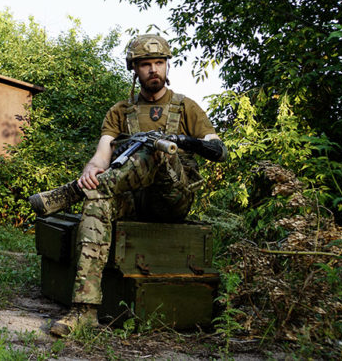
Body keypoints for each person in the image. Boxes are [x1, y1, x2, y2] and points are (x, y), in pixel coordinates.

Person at [27, 34, 227, 337]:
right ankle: (84, 311)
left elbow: (219, 151)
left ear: (167, 65)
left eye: (159, 62)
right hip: (131, 196)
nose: (153, 70)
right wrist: (89, 175)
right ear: (135, 69)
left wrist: (182, 141)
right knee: (96, 199)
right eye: (145, 64)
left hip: (172, 198)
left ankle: (70, 193)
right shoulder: (120, 112)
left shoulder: (187, 108)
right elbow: (100, 157)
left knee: (158, 149)